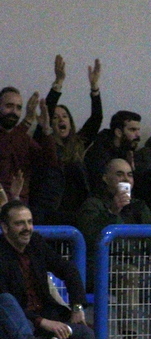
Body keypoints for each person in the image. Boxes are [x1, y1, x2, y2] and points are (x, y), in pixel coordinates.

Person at [0, 200, 93, 339]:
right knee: (6, 306)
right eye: (19, 223)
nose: (27, 228)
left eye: (29, 222)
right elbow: (4, 303)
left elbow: (68, 270)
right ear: (5, 228)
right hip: (15, 321)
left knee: (85, 334)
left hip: (43, 316)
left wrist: (77, 307)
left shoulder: (36, 243)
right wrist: (42, 322)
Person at [77, 158, 151, 339]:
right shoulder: (93, 204)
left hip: (144, 268)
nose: (126, 179)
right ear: (106, 178)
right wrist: (112, 212)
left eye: (130, 175)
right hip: (106, 269)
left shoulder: (139, 206)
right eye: (119, 174)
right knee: (129, 273)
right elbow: (89, 237)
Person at [45, 55, 104, 225]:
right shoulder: (44, 144)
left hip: (79, 212)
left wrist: (94, 88)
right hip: (53, 212)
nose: (61, 120)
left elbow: (96, 118)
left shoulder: (77, 144)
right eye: (55, 117)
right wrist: (58, 82)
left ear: (70, 122)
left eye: (64, 116)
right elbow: (47, 110)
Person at [0, 87, 59, 204]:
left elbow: (50, 163)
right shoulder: (20, 134)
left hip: (20, 205)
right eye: (9, 106)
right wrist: (27, 122)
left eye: (18, 108)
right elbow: (5, 149)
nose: (14, 112)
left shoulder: (24, 138)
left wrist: (46, 129)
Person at [84, 110, 141, 191]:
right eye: (132, 130)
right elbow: (97, 185)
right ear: (118, 132)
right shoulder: (98, 153)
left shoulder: (129, 152)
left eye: (138, 130)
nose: (138, 135)